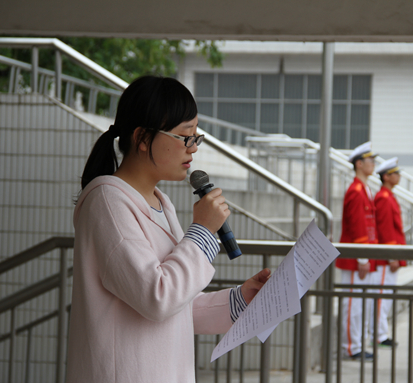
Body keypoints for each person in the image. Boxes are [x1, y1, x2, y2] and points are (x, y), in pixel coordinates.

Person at [65, 76, 271, 383]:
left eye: (196, 138)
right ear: (143, 138)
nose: (193, 149)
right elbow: (157, 297)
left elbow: (178, 304)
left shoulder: (162, 204)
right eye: (185, 137)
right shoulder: (107, 201)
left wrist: (241, 299)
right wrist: (201, 231)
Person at [336, 141, 378, 361]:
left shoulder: (365, 189)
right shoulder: (356, 190)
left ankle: (357, 344)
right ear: (359, 164)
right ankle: (351, 347)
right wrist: (362, 257)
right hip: (356, 258)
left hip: (362, 257)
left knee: (360, 304)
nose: (374, 164)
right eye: (370, 160)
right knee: (353, 305)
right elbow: (357, 226)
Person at [372, 157, 407, 347]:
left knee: (385, 297)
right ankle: (379, 335)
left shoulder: (388, 196)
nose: (399, 176)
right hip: (386, 260)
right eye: (396, 173)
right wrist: (392, 256)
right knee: (382, 298)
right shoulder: (384, 198)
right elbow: (385, 230)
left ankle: (381, 333)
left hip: (390, 257)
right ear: (386, 176)